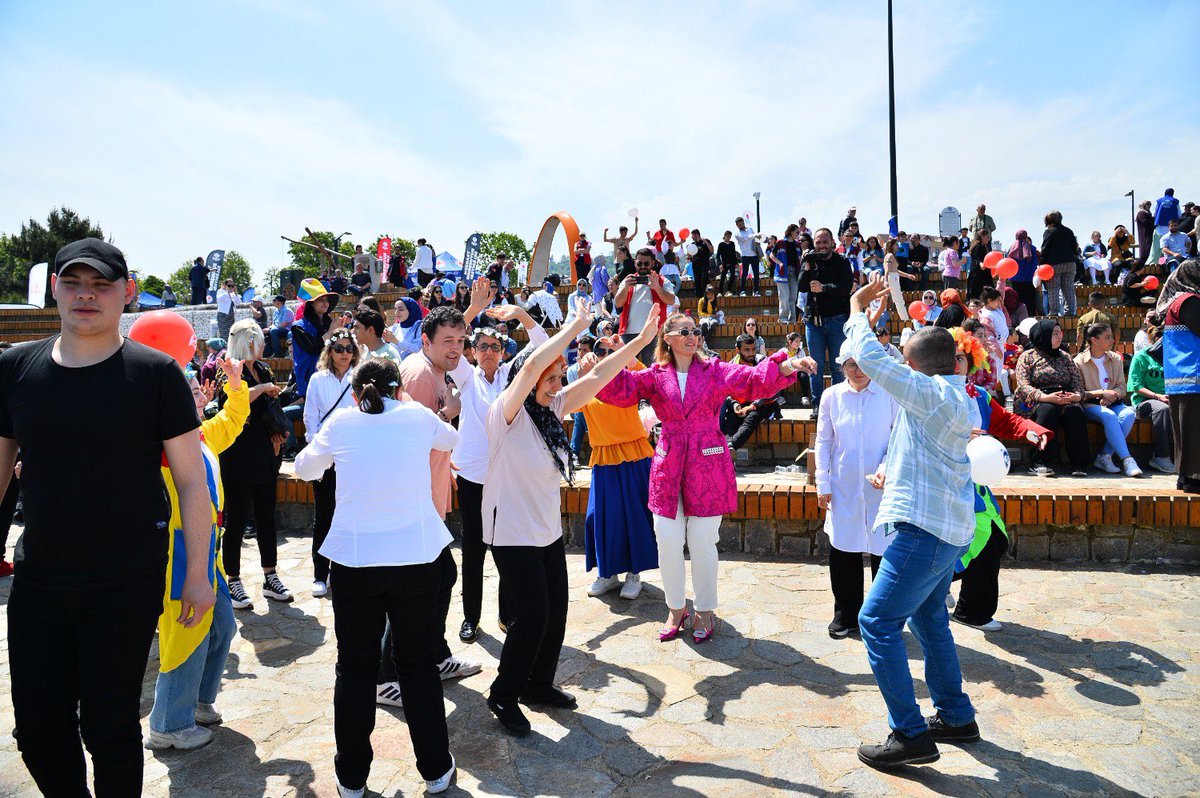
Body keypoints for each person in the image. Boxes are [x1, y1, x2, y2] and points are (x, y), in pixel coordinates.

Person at [0, 238, 211, 795]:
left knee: (110, 728)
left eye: (101, 284)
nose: (85, 295)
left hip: (126, 580)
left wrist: (198, 575)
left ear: (127, 293)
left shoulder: (155, 373)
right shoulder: (15, 369)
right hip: (40, 578)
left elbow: (192, 482)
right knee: (38, 733)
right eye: (73, 283)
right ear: (54, 290)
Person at [482, 299, 659, 737]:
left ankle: (538, 685)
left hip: (544, 532)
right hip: (511, 533)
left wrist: (640, 341)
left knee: (556, 612)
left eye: (561, 379)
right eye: (552, 378)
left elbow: (599, 376)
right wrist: (572, 326)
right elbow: (528, 370)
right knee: (534, 616)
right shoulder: (504, 412)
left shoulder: (552, 409)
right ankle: (503, 693)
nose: (558, 385)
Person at [597, 313, 813, 646]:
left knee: (702, 541)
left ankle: (706, 610)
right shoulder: (654, 376)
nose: (691, 336)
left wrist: (788, 365)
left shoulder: (715, 370)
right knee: (666, 541)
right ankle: (675, 608)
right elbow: (616, 389)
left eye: (695, 331)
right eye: (683, 331)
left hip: (708, 463)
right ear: (667, 338)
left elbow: (754, 379)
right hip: (669, 464)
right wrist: (616, 354)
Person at [295, 358, 458, 796]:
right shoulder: (417, 416)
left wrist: (332, 433)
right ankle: (436, 769)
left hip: (354, 563)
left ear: (355, 392)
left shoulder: (343, 422)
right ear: (399, 388)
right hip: (415, 559)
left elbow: (303, 469)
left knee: (355, 669)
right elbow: (451, 437)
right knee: (418, 664)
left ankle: (351, 778)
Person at [839, 276, 979, 769]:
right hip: (946, 528)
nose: (897, 362)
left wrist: (857, 309)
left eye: (903, 356)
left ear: (914, 365)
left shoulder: (930, 394)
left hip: (925, 532)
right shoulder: (957, 396)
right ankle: (957, 717)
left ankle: (910, 733)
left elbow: (873, 361)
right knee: (928, 619)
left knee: (875, 622)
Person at [146, 347, 249, 751]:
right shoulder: (154, 444)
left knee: (223, 625)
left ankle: (197, 701)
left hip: (210, 554)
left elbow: (232, 420)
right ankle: (168, 723)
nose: (200, 395)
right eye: (189, 391)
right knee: (186, 635)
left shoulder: (200, 434)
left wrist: (237, 387)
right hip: (179, 553)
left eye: (196, 388)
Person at [398, 288, 493, 680]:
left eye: (460, 341)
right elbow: (411, 441)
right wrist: (448, 413)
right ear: (426, 341)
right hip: (418, 499)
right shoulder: (422, 376)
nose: (456, 349)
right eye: (447, 341)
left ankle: (435, 655)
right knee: (421, 589)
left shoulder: (437, 368)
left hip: (432, 494)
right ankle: (397, 673)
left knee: (441, 579)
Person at [448, 302, 548, 643]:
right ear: (472, 352)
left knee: (509, 547)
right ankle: (470, 618)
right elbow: (448, 338)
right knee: (473, 550)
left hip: (507, 475)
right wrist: (473, 308)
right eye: (482, 346)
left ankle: (507, 614)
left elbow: (543, 346)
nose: (488, 351)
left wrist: (521, 315)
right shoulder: (465, 376)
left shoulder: (513, 377)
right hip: (473, 475)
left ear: (503, 351)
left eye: (495, 346)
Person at [946, 327, 1050, 632]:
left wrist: (1033, 430)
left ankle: (971, 611)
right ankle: (935, 593)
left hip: (975, 486)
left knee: (990, 541)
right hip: (940, 485)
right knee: (947, 544)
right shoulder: (930, 395)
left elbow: (1006, 421)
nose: (955, 363)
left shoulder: (978, 395)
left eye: (961, 358)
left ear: (971, 361)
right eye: (948, 357)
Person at [814, 343, 898, 638]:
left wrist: (886, 469)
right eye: (849, 364)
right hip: (844, 485)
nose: (857, 370)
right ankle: (846, 614)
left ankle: (883, 618)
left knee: (884, 552)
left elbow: (898, 439)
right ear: (841, 367)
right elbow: (823, 442)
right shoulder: (831, 396)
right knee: (843, 550)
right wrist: (822, 483)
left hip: (882, 486)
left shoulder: (888, 394)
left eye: (861, 363)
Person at [576, 338, 657, 601]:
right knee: (601, 517)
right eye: (601, 351)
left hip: (634, 454)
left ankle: (634, 574)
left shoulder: (629, 378)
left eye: (612, 352)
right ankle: (608, 573)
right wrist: (580, 374)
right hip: (603, 457)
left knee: (635, 515)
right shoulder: (588, 383)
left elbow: (648, 379)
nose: (606, 355)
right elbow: (564, 399)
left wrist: (627, 353)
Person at [218, 320, 291, 609]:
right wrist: (262, 388)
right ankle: (233, 579)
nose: (263, 344)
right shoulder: (229, 366)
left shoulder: (263, 369)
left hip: (263, 451)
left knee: (266, 516)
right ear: (249, 341)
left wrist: (277, 431)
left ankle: (270, 575)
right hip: (236, 453)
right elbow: (232, 399)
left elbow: (269, 409)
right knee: (235, 519)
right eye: (259, 339)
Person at [303, 329, 361, 598]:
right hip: (327, 458)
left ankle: (344, 571)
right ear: (329, 351)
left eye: (349, 348)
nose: (345, 353)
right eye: (339, 348)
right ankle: (319, 573)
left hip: (353, 457)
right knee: (324, 516)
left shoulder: (360, 377)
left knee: (350, 515)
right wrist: (318, 451)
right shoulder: (317, 379)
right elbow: (311, 416)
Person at [1014, 320, 1090, 477]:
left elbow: (1078, 384)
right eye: (1055, 333)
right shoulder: (1027, 357)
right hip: (1037, 399)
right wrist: (1045, 397)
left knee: (1074, 412)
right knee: (1048, 411)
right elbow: (1023, 386)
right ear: (1043, 335)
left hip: (1064, 397)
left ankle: (1079, 463)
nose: (1059, 337)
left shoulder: (1065, 356)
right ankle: (1040, 461)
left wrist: (1076, 396)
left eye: (1060, 333)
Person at [1075, 323, 1142, 476]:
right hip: (1090, 404)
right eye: (1107, 337)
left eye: (1111, 336)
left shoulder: (1116, 359)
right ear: (1094, 340)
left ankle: (1104, 456)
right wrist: (1102, 393)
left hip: (1114, 402)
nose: (1112, 340)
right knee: (1109, 415)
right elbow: (1079, 392)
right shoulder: (1079, 361)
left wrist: (1112, 396)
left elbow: (1121, 387)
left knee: (1129, 413)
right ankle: (1127, 459)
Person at [800, 228, 856, 410]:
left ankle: (837, 404)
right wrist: (806, 267)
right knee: (814, 365)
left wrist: (824, 288)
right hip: (813, 321)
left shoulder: (842, 262)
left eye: (825, 242)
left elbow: (846, 286)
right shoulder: (811, 261)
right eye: (818, 243)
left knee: (837, 364)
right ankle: (818, 404)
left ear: (832, 242)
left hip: (837, 319)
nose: (822, 246)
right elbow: (802, 286)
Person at [1157, 259, 1200, 493]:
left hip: (1185, 378)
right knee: (1193, 431)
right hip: (1192, 377)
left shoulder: (1179, 300)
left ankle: (1186, 477)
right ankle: (1193, 479)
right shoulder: (1188, 301)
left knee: (1189, 431)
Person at [720, 334, 785, 451]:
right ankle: (725, 445)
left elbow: (776, 390)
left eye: (753, 349)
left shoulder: (763, 362)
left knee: (751, 418)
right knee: (731, 417)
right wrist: (734, 405)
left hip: (763, 404)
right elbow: (725, 392)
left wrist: (753, 405)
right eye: (746, 350)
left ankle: (731, 448)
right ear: (737, 350)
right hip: (741, 404)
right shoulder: (731, 367)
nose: (751, 353)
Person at [1127, 327, 1176, 473]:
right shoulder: (1141, 357)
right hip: (1145, 401)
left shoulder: (1173, 356)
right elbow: (1136, 386)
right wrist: (1158, 396)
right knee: (1163, 409)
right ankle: (1161, 456)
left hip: (1170, 397)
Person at [613, 248, 674, 364]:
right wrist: (625, 288)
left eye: (646, 263)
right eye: (639, 263)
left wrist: (657, 288)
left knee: (653, 369)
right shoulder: (628, 281)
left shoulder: (662, 281)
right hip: (629, 333)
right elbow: (618, 304)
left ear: (653, 263)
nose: (643, 266)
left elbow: (671, 300)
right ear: (635, 263)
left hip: (654, 334)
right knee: (628, 369)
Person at [1040, 211, 1080, 317]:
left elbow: (1045, 249)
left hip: (1054, 264)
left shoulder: (1049, 232)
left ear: (1049, 221)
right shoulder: (1068, 231)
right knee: (1068, 287)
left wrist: (1041, 263)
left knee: (1053, 288)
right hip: (1070, 263)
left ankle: (1054, 312)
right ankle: (1071, 311)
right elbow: (1075, 247)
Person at [1006, 229, 1040, 318]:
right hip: (1029, 279)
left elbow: (1008, 262)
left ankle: (1019, 318)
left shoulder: (1012, 248)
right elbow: (1034, 263)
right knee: (1030, 300)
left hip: (1016, 279)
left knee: (1018, 300)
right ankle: (1031, 318)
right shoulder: (1032, 248)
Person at [734, 217, 762, 296]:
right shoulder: (737, 234)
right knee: (744, 274)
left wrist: (761, 237)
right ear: (737, 225)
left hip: (754, 255)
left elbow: (756, 239)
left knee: (756, 274)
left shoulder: (750, 229)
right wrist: (754, 235)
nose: (741, 225)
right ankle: (742, 291)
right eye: (739, 225)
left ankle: (756, 291)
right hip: (745, 256)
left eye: (742, 224)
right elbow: (745, 238)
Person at [966, 230, 994, 299]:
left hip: (982, 275)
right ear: (982, 236)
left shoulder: (983, 246)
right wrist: (980, 263)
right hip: (978, 276)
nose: (988, 238)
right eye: (987, 237)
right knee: (978, 296)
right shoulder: (977, 246)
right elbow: (976, 258)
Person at [689, 229, 715, 298]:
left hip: (704, 264)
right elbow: (689, 255)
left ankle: (706, 295)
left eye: (693, 235)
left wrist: (706, 242)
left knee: (704, 279)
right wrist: (689, 252)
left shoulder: (705, 241)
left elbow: (712, 250)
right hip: (695, 264)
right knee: (697, 280)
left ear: (697, 234)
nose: (692, 237)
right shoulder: (693, 244)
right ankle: (698, 296)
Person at [716, 230, 739, 296]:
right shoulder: (721, 244)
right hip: (724, 263)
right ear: (725, 236)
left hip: (732, 263)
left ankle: (728, 291)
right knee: (722, 278)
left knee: (732, 275)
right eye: (727, 236)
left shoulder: (732, 243)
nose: (729, 237)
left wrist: (736, 263)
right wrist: (720, 264)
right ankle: (720, 292)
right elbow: (718, 255)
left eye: (730, 236)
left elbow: (733, 254)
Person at [1136, 200, 1155, 265]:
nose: (1149, 206)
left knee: (1150, 251)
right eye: (1147, 204)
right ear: (1143, 205)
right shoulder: (1141, 213)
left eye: (1150, 204)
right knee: (1145, 251)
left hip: (1150, 235)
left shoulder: (1148, 213)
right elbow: (1146, 223)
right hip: (1145, 235)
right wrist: (1154, 221)